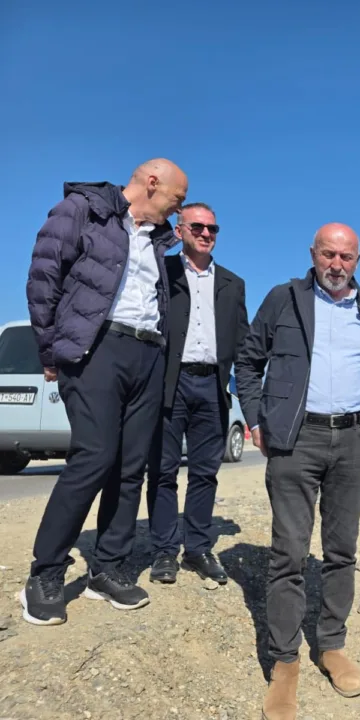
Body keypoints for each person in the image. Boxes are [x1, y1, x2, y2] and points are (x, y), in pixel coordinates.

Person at [235, 223, 360, 720]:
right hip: (296, 440)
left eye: (346, 257)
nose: (336, 264)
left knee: (341, 551)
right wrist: (256, 417)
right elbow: (247, 361)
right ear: (313, 254)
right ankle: (285, 662)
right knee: (289, 553)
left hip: (354, 439)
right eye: (328, 254)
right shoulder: (283, 300)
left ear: (358, 260)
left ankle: (332, 645)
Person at [21, 159, 188, 626]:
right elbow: (43, 278)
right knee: (93, 457)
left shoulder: (157, 239)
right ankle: (45, 573)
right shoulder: (81, 210)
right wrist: (50, 350)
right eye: (176, 198)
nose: (178, 210)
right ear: (152, 183)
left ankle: (108, 568)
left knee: (131, 466)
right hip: (97, 349)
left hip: (147, 353)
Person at [146, 202, 249, 585]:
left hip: (212, 386)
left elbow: (243, 341)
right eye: (198, 227)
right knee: (163, 471)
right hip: (169, 383)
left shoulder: (233, 284)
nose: (206, 234)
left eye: (212, 228)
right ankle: (164, 551)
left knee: (206, 472)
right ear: (180, 231)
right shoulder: (162, 271)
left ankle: (198, 549)